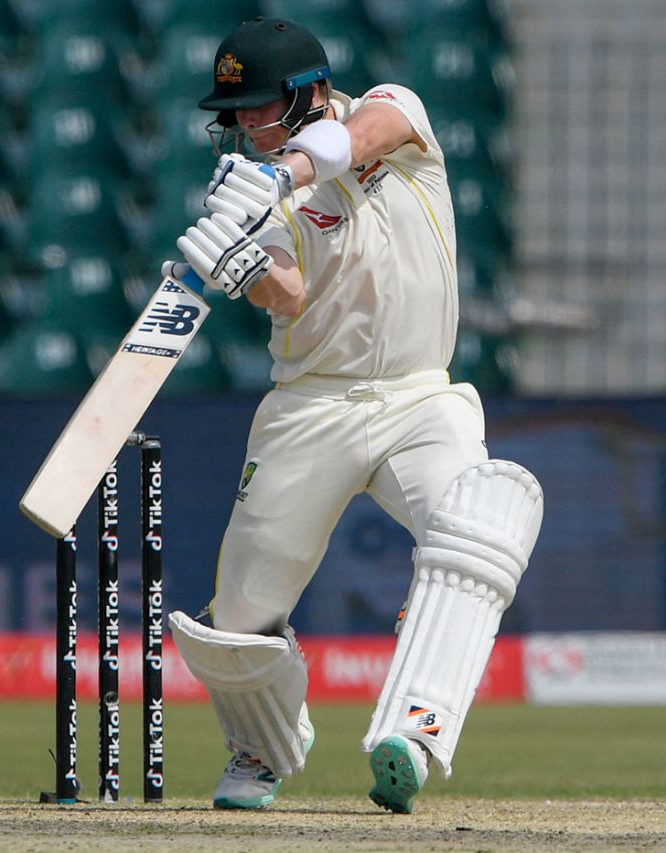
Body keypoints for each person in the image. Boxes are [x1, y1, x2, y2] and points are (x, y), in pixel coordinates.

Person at [161, 17, 544, 814]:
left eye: (257, 107)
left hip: (420, 397)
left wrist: (286, 175)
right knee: (237, 613)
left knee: (484, 520)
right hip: (312, 404)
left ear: (306, 95)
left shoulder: (392, 110)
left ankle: (413, 727)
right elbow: (290, 294)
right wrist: (244, 264)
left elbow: (363, 135)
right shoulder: (251, 189)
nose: (241, 126)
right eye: (233, 112)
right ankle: (262, 744)